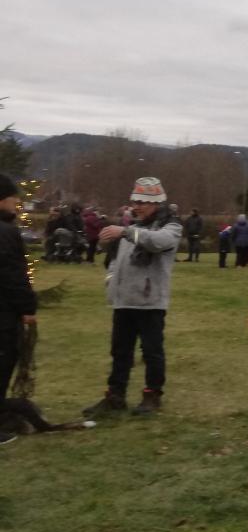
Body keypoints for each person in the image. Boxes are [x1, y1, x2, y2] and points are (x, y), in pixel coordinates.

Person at [83, 177, 182, 417]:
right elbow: (117, 260)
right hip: (123, 301)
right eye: (135, 201)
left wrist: (125, 231)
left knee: (152, 352)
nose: (138, 206)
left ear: (157, 204)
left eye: (144, 202)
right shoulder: (131, 230)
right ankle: (115, 396)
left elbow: (158, 243)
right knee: (120, 352)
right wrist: (111, 280)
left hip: (151, 304)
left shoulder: (171, 227)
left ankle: (152, 396)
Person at [0, 174, 37, 446]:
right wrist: (27, 308)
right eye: (14, 198)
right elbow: (14, 276)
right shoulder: (7, 233)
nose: (17, 204)